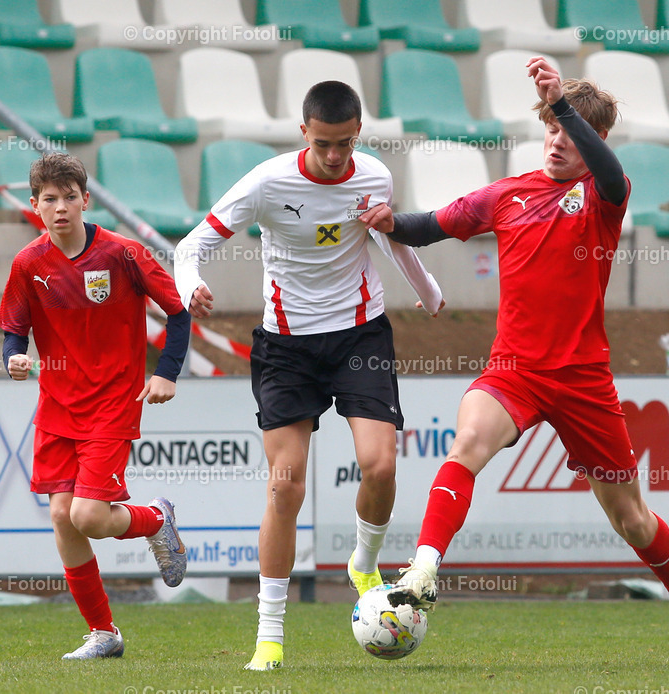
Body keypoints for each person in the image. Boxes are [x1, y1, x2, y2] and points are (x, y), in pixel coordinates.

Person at [360, 58, 669, 664]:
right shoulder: (509, 195)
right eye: (550, 129)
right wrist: (390, 222)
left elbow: (612, 172)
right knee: (466, 444)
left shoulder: (605, 195)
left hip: (583, 380)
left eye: (567, 131)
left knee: (632, 520)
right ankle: (423, 570)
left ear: (593, 137)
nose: (555, 141)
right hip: (515, 370)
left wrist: (563, 104)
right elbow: (432, 225)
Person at [173, 80, 444, 671]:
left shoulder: (374, 176)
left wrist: (427, 290)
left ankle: (363, 563)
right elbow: (189, 248)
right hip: (287, 346)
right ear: (304, 133)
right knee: (285, 486)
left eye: (346, 143)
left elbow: (389, 236)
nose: (335, 155)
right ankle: (270, 635)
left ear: (359, 133)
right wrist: (190, 285)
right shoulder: (267, 182)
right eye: (323, 144)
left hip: (360, 334)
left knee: (380, 465)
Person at [0, 152, 191, 660]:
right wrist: (14, 357)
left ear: (85, 200)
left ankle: (155, 519)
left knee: (87, 515)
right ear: (35, 206)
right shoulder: (28, 264)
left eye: (69, 197)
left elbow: (178, 312)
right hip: (57, 405)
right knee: (63, 516)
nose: (60, 207)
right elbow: (14, 331)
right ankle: (104, 633)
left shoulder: (124, 254)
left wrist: (167, 372)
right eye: (49, 199)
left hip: (112, 402)